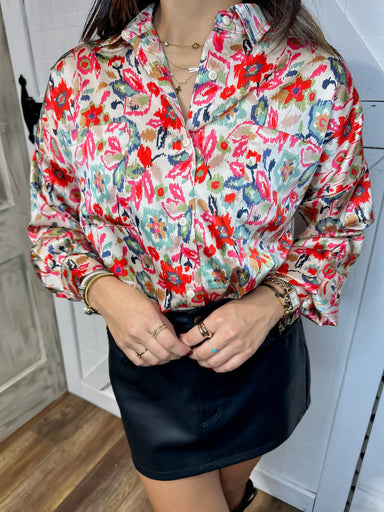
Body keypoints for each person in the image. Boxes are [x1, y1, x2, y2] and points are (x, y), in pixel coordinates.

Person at [28, 0, 374, 511]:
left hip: (258, 354)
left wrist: (269, 304)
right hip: (150, 359)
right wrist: (105, 295)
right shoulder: (79, 77)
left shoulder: (314, 75)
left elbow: (343, 221)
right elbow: (52, 224)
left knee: (226, 497)